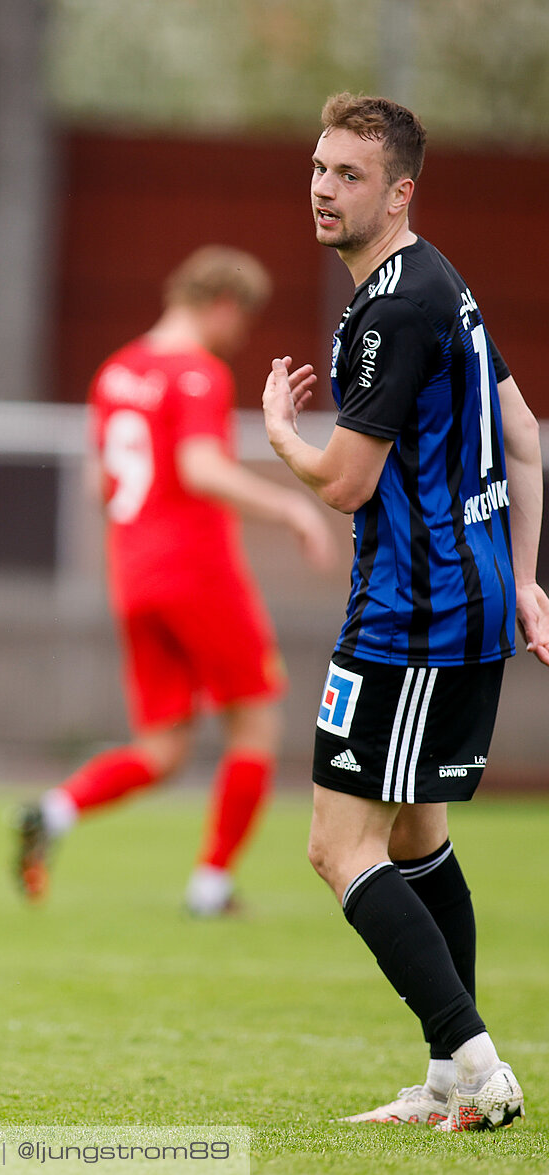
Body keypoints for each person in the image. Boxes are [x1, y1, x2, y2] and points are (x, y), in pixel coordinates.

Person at [263, 93, 547, 1132]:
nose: (325, 189)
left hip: (410, 620)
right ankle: (445, 1077)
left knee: (338, 847)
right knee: (417, 835)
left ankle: (479, 1065)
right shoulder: (444, 285)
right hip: (461, 607)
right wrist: (522, 578)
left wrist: (280, 434)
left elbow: (343, 483)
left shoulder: (394, 306)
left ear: (400, 191)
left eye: (349, 175)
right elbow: (524, 438)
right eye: (320, 167)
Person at [14, 247, 334, 915]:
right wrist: (291, 506)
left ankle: (55, 810)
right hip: (197, 570)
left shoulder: (116, 371)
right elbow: (199, 468)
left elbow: (98, 484)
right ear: (223, 303)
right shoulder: (198, 372)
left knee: (162, 748)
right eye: (243, 318)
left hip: (133, 574)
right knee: (255, 725)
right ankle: (210, 884)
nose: (241, 335)